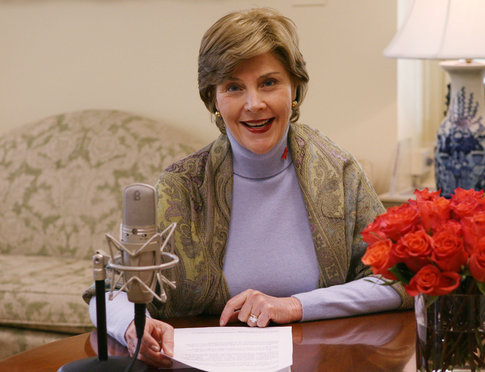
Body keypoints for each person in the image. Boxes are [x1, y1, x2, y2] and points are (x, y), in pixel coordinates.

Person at [85, 7, 411, 368]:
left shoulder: (340, 173)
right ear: (213, 100)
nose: (254, 104)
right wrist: (132, 325)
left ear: (295, 89)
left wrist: (294, 305)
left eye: (269, 83)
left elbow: (397, 279)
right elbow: (109, 293)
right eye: (234, 87)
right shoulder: (181, 188)